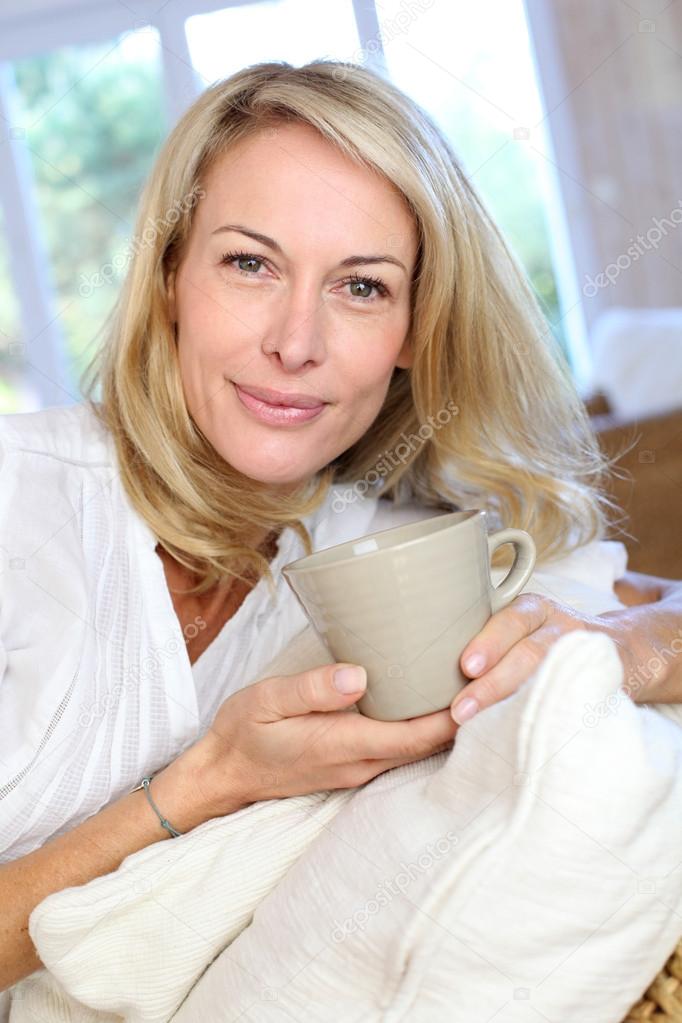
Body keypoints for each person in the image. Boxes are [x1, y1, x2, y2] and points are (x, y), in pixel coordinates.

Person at [1, 59, 680, 997]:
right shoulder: (20, 501)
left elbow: (656, 609)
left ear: (413, 329)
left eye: (361, 287)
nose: (295, 341)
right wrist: (213, 778)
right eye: (250, 263)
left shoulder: (387, 542)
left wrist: (631, 651)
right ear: (169, 277)